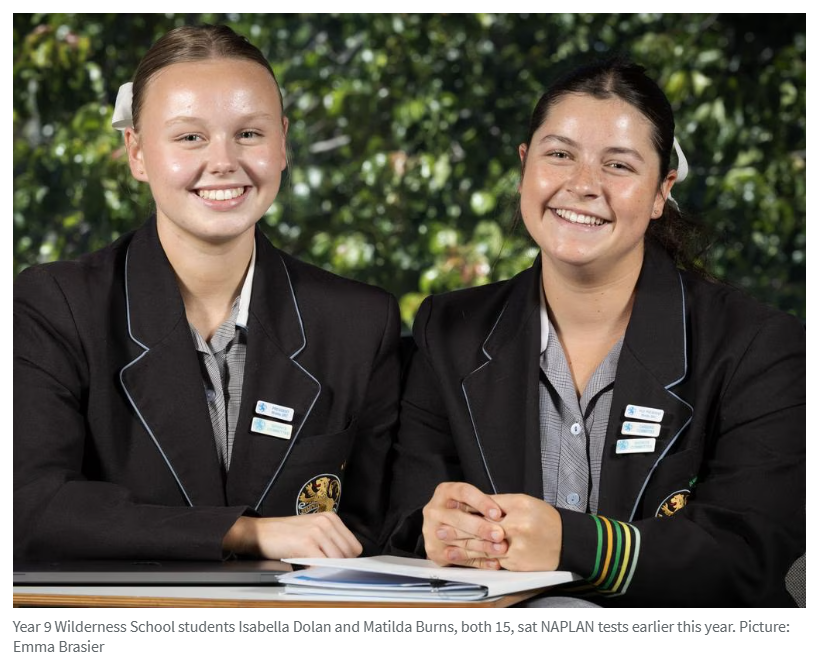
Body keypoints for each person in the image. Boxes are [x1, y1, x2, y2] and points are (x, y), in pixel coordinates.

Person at [384, 59, 805, 607]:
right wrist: (437, 530)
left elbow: (749, 556)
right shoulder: (449, 331)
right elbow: (404, 521)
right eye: (559, 155)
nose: (582, 185)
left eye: (618, 165)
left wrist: (574, 544)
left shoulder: (758, 345)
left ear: (660, 192)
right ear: (524, 166)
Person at [14, 25, 400, 562]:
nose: (223, 161)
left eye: (249, 133)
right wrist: (242, 533)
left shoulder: (360, 322)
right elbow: (30, 507)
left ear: (283, 143)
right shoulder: (57, 306)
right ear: (137, 152)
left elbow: (383, 526)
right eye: (190, 137)